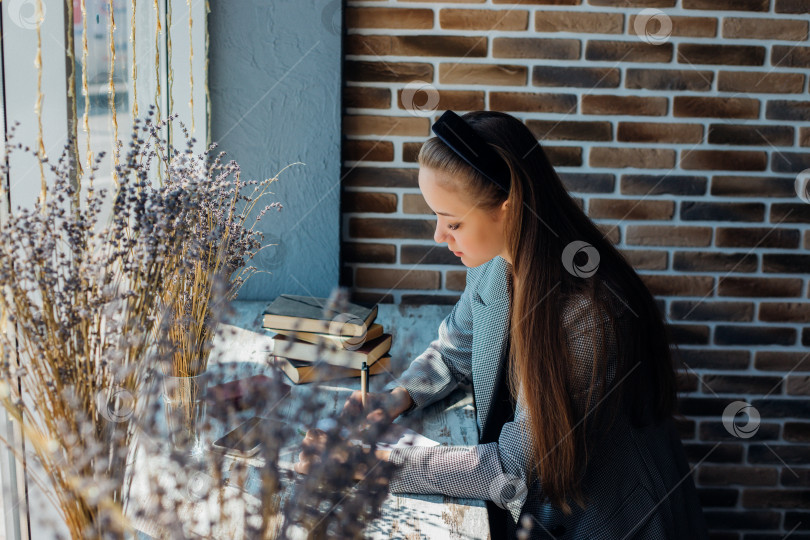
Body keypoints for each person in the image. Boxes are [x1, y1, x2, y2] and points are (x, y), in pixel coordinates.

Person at [297, 110, 710, 539]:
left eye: (453, 222)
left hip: (616, 521)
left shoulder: (590, 316)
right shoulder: (496, 260)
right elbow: (454, 348)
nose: (439, 236)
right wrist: (396, 398)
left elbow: (512, 467)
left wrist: (371, 465)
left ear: (507, 208)